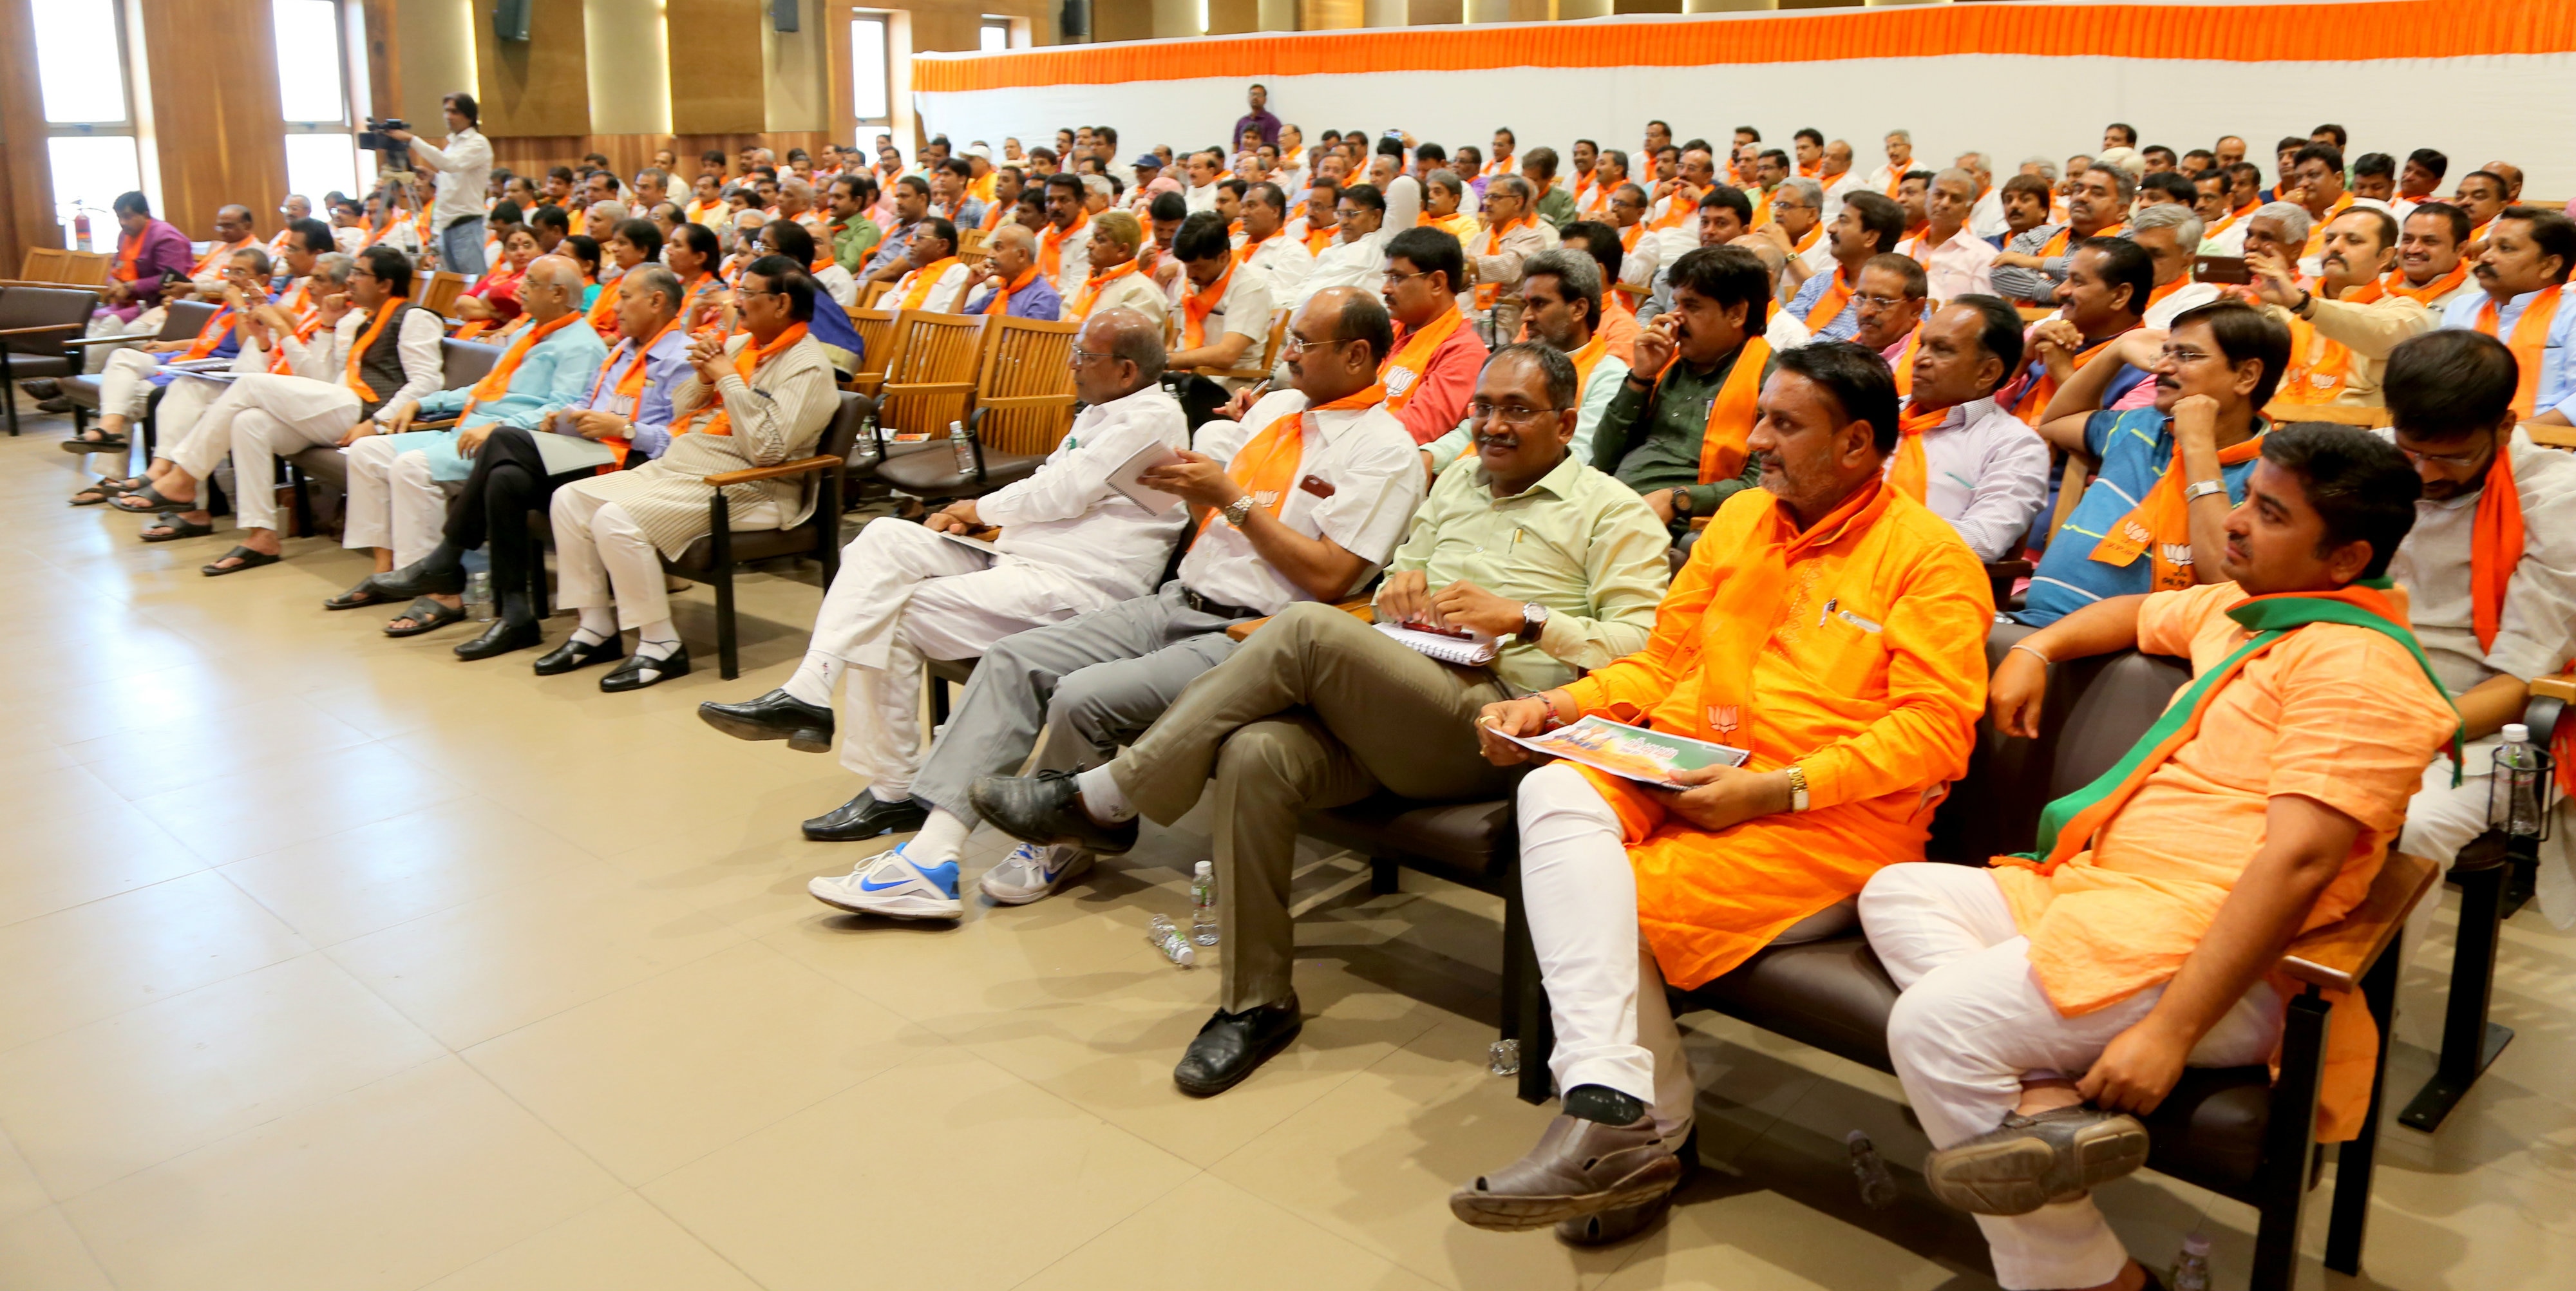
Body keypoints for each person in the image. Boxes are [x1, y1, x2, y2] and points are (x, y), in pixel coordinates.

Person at [976, 341, 1670, 1092]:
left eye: (1517, 410)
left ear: (1567, 422)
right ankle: (1257, 1001)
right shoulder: (1461, 482)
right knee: (1256, 752)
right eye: (1482, 407)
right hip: (1404, 688)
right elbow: (1408, 566)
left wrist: (1528, 618)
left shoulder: (1615, 513)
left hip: (1498, 726)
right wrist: (1403, 589)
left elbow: (1645, 651)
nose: (1491, 425)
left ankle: (1109, 795)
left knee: (1306, 625)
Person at [1877, 422, 2451, 1291]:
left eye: (2270, 512)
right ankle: (2044, 1108)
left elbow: (2297, 866)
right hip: (2105, 896)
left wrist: (2169, 1034)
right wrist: (2033, 647)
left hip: (2214, 952)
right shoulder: (2251, 612)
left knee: (1934, 1026)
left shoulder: (2360, 668)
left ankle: (2092, 1279)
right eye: (2248, 497)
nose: (2236, 522)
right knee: (1897, 892)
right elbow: (2134, 612)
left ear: (2345, 559)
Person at [1452, 340, 1994, 1244]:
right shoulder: (1743, 519)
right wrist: (1556, 705)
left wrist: (1777, 790)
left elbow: (1937, 732)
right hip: (1679, 764)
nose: (1755, 440)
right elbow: (1663, 662)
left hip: (1818, 817)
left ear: (1857, 444)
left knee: (1605, 896)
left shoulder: (1931, 560)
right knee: (1552, 793)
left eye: (1785, 424)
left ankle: (1640, 1132)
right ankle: (1618, 1101)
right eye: (1762, 418)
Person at [802, 288, 1426, 918]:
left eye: (1302, 343)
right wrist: (1194, 476)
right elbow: (1210, 511)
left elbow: (1329, 578)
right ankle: (931, 858)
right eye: (1288, 338)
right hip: (1179, 598)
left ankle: (1067, 834)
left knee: (1082, 694)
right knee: (1014, 659)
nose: (1286, 354)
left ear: (1356, 354)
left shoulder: (1384, 450)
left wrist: (1231, 497)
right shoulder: (1281, 408)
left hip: (1258, 631)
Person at [700, 306, 1188, 847]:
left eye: (1084, 356)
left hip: (1077, 586)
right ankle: (808, 689)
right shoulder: (1103, 406)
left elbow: (1061, 493)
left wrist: (978, 507)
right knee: (886, 537)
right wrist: (982, 516)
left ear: (1125, 370)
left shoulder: (1149, 418)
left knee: (895, 614)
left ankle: (894, 790)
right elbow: (1053, 483)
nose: (1072, 365)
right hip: (1020, 555)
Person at [366, 265, 698, 661]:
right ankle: (516, 615)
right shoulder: (621, 350)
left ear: (657, 301)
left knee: (504, 438)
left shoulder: (682, 357)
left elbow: (681, 439)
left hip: (636, 463)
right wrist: (567, 417)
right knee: (504, 478)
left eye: (625, 297)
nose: (616, 308)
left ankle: (446, 557)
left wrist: (625, 428)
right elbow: (588, 401)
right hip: (590, 448)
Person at [539, 256, 838, 690]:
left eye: (748, 295)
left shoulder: (808, 367)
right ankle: (596, 628)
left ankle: (661, 644)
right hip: (685, 467)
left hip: (753, 487)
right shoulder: (740, 345)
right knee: (569, 499)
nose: (738, 301)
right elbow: (681, 409)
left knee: (615, 518)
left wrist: (728, 380)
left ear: (781, 303)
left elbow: (768, 451)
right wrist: (703, 377)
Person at [2376, 332, 2576, 936]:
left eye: (2455, 457)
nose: (2428, 475)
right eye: (2414, 451)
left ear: (2507, 424)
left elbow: (2521, 678)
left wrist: (2402, 736)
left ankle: (2366, 1016)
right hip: (2357, 683)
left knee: (2409, 821)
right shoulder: (2375, 462)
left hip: (2481, 721)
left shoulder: (2556, 498)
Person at [333, 253, 607, 632]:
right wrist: (423, 402)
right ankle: (389, 569)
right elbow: (483, 390)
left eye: (529, 282)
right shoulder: (531, 331)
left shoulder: (581, 345)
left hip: (507, 441)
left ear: (558, 293)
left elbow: (561, 410)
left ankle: (440, 592)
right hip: (465, 429)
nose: (519, 289)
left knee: (412, 468)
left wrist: (498, 427)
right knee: (366, 451)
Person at [166, 245, 445, 575]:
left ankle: (182, 478)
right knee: (249, 422)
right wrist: (328, 326)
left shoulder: (415, 317)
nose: (351, 280)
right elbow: (317, 379)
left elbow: (428, 381)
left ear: (384, 284)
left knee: (251, 385)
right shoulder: (359, 320)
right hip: (341, 405)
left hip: (366, 412)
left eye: (359, 273)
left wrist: (377, 422)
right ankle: (262, 536)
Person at [2019, 301, 2291, 625]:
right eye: (2166, 352)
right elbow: (2058, 421)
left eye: (2186, 356)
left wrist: (2198, 446)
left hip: (2140, 651)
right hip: (2036, 621)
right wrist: (2116, 350)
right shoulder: (2145, 425)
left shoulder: (2269, 475)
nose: (2163, 366)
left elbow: (2226, 582)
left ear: (2246, 376)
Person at [1593, 245, 1775, 529]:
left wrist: (1681, 499)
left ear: (1737, 314)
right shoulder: (1666, 366)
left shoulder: (1773, 384)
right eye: (1675, 303)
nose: (1675, 318)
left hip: (1680, 529)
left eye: (1692, 306)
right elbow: (1604, 457)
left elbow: (1764, 484)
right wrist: (1640, 377)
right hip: (1610, 507)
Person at [63, 245, 274, 474]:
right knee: (122, 357)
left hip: (218, 371)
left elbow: (249, 346)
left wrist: (240, 307)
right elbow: (210, 339)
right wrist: (171, 345)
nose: (231, 278)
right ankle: (109, 427)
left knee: (130, 395)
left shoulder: (267, 304)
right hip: (188, 358)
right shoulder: (231, 303)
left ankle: (118, 475)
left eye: (240, 272)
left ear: (262, 279)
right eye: (229, 271)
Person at [1427, 249, 1629, 469]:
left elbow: (1577, 457)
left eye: (1539, 305)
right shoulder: (1515, 363)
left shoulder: (1609, 375)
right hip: (1466, 477)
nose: (1526, 318)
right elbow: (1473, 426)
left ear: (1578, 309)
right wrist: (1429, 456)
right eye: (1526, 306)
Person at [1893, 295, 2052, 560]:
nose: (1920, 359)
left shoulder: (2015, 445)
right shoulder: (1877, 413)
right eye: (1922, 345)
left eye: (1942, 349)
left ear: (1987, 373)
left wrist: (1877, 539)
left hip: (1922, 581)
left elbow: (1982, 540)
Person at [2246, 205, 2432, 408]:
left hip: (2358, 434)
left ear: (2385, 257)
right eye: (2329, 239)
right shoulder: (2283, 309)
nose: (2335, 247)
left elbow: (2380, 330)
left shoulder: (2406, 312)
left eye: (2353, 241)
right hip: (2276, 427)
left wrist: (2304, 305)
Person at [2439, 205, 2575, 425]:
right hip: (2458, 440)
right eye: (2489, 246)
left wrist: (2511, 437)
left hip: (2550, 448)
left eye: (2505, 248)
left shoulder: (2571, 312)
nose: (2486, 256)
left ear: (2549, 265)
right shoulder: (2461, 308)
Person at [2000, 238, 2156, 426]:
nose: (2061, 290)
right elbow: (1978, 414)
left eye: (2078, 282)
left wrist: (2065, 374)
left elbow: (2111, 442)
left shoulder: (2150, 371)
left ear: (2120, 296)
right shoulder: (2040, 335)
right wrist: (2021, 361)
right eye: (2066, 279)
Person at [1377, 226, 1490, 449]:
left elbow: (1414, 430)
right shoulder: (1385, 329)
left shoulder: (1465, 353)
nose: (1385, 289)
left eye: (1397, 278)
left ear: (1437, 283)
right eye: (1387, 277)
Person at [1164, 211, 1274, 388]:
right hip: (1181, 376)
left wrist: (1168, 361)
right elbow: (1174, 340)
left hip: (1224, 386)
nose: (1190, 274)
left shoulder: (1250, 286)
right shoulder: (1191, 276)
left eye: (1198, 267)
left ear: (1223, 257)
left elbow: (1227, 354)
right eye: (1186, 266)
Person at [1993, 165, 2133, 304]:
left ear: (2122, 210)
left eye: (2097, 193)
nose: (2082, 197)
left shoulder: (2131, 241)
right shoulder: (2042, 235)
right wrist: (2055, 293)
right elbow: (1999, 273)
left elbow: (2100, 273)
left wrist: (2034, 262)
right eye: (2078, 190)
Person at [1783, 192, 1906, 342]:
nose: (1831, 229)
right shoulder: (1818, 284)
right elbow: (1785, 334)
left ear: (1870, 237)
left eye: (1843, 221)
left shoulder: (1900, 299)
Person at [2126, 202, 2220, 330]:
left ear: (2186, 262)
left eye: (2155, 255)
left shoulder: (2200, 298)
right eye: (2135, 250)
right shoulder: (2112, 284)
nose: (2139, 260)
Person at [1914, 168, 1999, 301]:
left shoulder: (1983, 256)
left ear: (1968, 210)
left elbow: (1985, 312)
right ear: (1927, 198)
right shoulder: (1903, 249)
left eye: (1956, 199)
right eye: (1939, 195)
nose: (1945, 204)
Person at [2387, 202, 2479, 311]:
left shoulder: (2476, 297)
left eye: (2430, 242)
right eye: (2408, 240)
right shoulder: (2379, 285)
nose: (2413, 249)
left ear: (2461, 249)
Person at [960, 223, 1061, 320]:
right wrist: (967, 286)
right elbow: (952, 328)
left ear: (1021, 255)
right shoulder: (996, 294)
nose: (990, 255)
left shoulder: (1044, 298)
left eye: (998, 248)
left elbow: (1024, 338)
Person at [1234, 181, 1312, 300]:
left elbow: (1276, 299)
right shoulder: (1233, 244)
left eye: (1251, 206)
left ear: (1275, 211)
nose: (1243, 213)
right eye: (1243, 207)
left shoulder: (1294, 252)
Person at [882, 216, 969, 313]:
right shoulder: (910, 276)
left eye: (919, 238)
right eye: (913, 238)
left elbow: (947, 320)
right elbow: (879, 312)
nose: (911, 243)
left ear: (942, 245)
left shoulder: (960, 274)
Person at [822, 173, 881, 273]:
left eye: (838, 197)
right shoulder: (828, 226)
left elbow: (850, 265)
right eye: (830, 197)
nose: (831, 203)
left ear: (857, 202)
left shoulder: (866, 228)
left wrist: (816, 270)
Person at [1233, 83, 1281, 150]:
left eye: (1259, 95)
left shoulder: (1272, 122)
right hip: (1241, 159)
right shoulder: (1241, 122)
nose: (1255, 97)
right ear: (1248, 98)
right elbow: (1236, 146)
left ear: (1265, 100)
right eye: (1252, 94)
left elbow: (1273, 149)